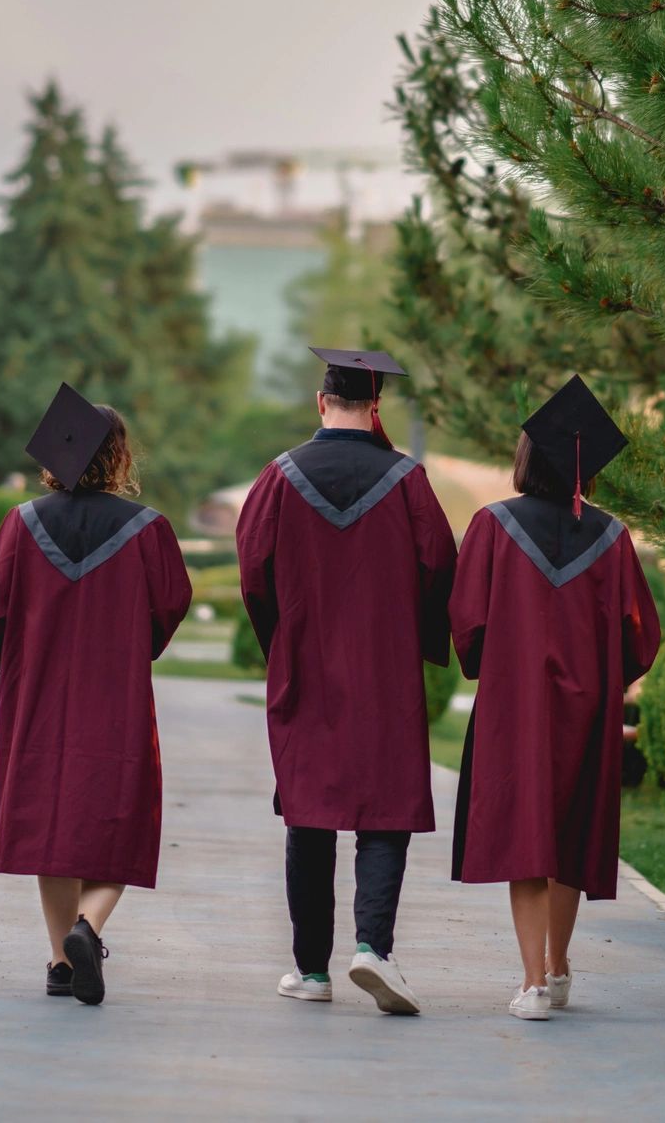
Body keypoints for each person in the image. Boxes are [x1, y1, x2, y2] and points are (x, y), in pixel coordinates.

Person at [236, 346, 458, 1014]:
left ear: (320, 403)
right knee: (382, 811)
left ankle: (311, 972)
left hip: (306, 666)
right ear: (377, 407)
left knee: (309, 813)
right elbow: (439, 566)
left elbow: (252, 573)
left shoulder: (279, 477)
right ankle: (372, 950)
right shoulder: (407, 480)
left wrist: (281, 640)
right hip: (383, 670)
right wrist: (413, 638)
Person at [448, 375, 662, 1021]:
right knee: (567, 832)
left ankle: (533, 982)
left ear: (524, 458)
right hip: (586, 709)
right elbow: (640, 636)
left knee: (526, 839)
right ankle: (560, 967)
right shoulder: (612, 537)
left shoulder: (491, 526)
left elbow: (468, 620)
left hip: (517, 708)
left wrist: (491, 666)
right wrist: (605, 679)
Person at [0, 383, 192, 1006]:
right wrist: (129, 641)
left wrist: (16, 652)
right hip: (115, 700)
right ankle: (87, 930)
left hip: (39, 700)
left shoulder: (21, 524)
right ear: (120, 458)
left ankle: (59, 964)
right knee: (116, 824)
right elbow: (168, 609)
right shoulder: (149, 529)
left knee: (53, 826)